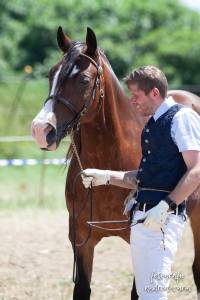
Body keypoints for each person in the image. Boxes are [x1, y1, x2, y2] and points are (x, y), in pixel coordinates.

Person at [81, 66, 200, 299]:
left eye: (136, 95)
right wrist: (105, 176)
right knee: (147, 294)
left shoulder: (181, 117)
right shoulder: (152, 124)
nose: (132, 101)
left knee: (153, 295)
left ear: (154, 93)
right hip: (142, 220)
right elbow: (146, 177)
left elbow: (196, 170)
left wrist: (166, 206)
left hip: (162, 221)